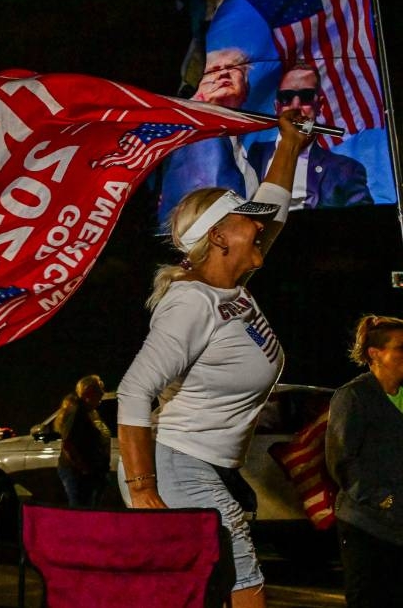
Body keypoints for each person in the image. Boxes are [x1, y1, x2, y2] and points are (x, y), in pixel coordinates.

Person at [116, 108, 310, 608]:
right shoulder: (191, 303)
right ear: (220, 237)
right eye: (248, 223)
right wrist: (143, 491)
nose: (261, 229)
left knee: (202, 594)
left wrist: (288, 143)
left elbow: (274, 210)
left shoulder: (230, 292)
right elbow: (134, 391)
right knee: (243, 582)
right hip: (174, 465)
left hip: (203, 464)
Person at [325, 314, 403, 608]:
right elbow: (342, 460)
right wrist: (384, 499)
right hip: (368, 527)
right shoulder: (354, 396)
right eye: (401, 347)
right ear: (375, 354)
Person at [247, 61, 373, 210]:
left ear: (320, 105)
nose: (295, 106)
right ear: (277, 107)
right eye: (286, 97)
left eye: (306, 96)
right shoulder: (255, 155)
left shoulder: (346, 170)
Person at [157, 48, 257, 225]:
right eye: (213, 70)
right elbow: (215, 212)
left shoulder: (244, 146)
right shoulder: (198, 132)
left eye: (233, 68)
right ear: (199, 88)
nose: (223, 73)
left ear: (246, 89)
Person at [55, 375, 112, 507]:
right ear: (88, 392)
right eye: (98, 390)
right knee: (80, 509)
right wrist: (84, 469)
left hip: (89, 472)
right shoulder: (77, 412)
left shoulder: (90, 412)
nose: (102, 394)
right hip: (77, 474)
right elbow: (68, 444)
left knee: (87, 508)